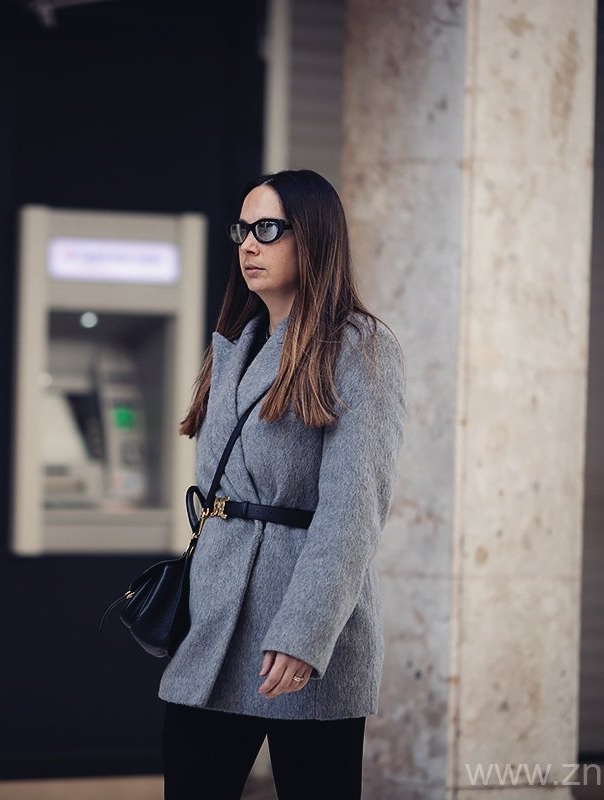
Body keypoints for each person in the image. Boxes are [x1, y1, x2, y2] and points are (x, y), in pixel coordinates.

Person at [158, 169, 407, 799]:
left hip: (302, 623)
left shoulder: (360, 348)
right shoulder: (235, 345)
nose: (248, 244)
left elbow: (353, 511)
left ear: (314, 236)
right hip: (215, 620)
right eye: (242, 230)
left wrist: (304, 634)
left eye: (267, 229)